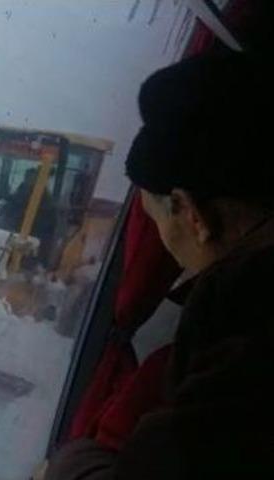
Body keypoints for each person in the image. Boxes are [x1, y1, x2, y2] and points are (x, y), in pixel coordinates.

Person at [42, 51, 273, 479]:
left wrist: (66, 465)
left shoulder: (244, 351)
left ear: (191, 213)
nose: (164, 243)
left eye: (156, 220)